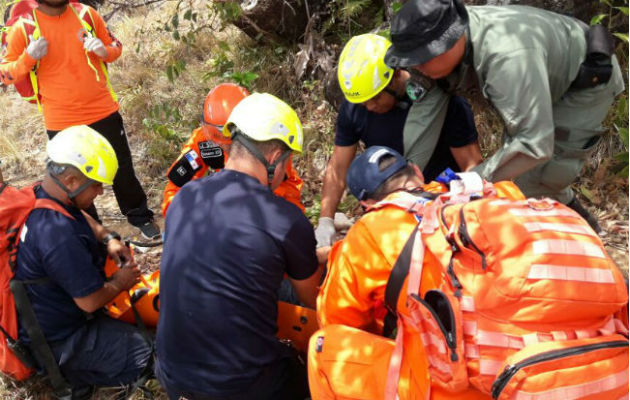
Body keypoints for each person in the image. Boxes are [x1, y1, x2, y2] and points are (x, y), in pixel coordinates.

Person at [384, 0, 625, 232]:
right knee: (513, 177)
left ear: (454, 39)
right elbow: (424, 116)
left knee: (531, 183)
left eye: (422, 59)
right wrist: (407, 177)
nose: (416, 67)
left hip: (583, 81)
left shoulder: (506, 58)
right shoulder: (439, 45)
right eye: (411, 60)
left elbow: (535, 145)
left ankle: (586, 242)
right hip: (535, 73)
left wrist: (470, 183)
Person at [156, 93, 325, 400]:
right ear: (275, 158)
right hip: (242, 387)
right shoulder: (284, 219)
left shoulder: (186, 198)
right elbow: (314, 302)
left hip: (172, 376)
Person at [315, 146, 521, 399]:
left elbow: (342, 322)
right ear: (416, 172)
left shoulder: (369, 234)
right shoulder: (496, 193)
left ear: (367, 204)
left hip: (465, 385)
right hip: (555, 363)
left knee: (324, 345)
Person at [0, 0, 159, 239]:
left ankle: (140, 216)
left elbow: (115, 46)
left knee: (122, 170)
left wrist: (104, 51)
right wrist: (28, 57)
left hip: (103, 109)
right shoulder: (24, 28)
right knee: (76, 184)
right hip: (61, 119)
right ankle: (92, 232)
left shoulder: (86, 14)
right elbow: (5, 73)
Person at [14, 125, 152, 398]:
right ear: (72, 180)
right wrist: (119, 282)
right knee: (156, 353)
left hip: (51, 324)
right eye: (96, 185)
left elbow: (83, 218)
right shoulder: (58, 236)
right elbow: (89, 301)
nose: (100, 192)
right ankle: (75, 377)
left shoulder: (42, 195)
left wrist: (108, 238)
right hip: (66, 342)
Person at [315, 33, 481, 247]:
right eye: (364, 102)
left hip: (438, 208)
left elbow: (471, 165)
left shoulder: (443, 105)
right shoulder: (356, 108)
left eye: (375, 98)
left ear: (394, 76)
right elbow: (338, 167)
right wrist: (325, 220)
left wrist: (468, 211)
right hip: (385, 212)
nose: (370, 107)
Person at [161, 83, 304, 216]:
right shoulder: (202, 142)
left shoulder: (271, 141)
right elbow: (174, 190)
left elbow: (288, 188)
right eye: (226, 145)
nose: (231, 149)